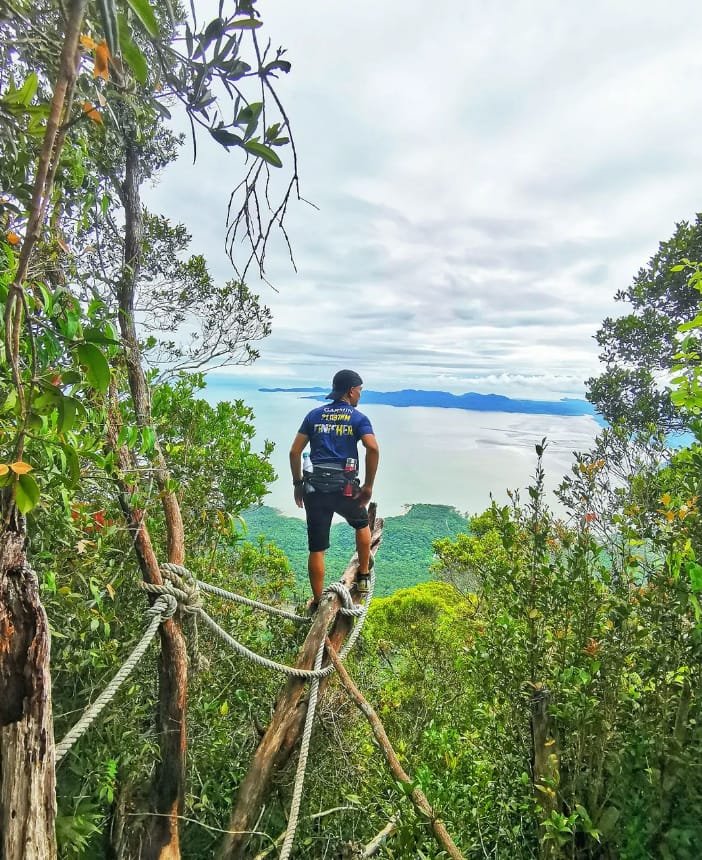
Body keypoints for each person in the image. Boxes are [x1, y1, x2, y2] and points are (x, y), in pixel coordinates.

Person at [289, 369, 380, 609]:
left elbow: (295, 452)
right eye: (359, 390)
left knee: (316, 548)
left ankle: (317, 600)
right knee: (362, 525)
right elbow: (372, 448)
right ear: (350, 391)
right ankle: (363, 576)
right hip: (345, 489)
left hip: (315, 490)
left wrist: (298, 484)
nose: (360, 394)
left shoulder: (314, 415)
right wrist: (368, 486)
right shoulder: (358, 418)